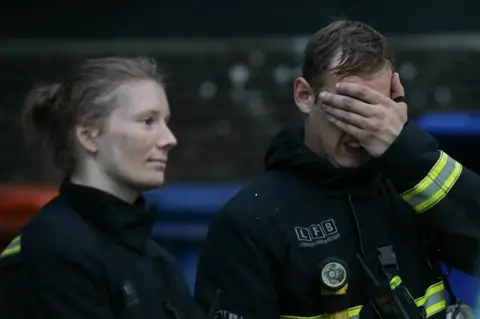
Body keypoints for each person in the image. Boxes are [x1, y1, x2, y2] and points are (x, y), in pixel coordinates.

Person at [194, 20, 480, 319]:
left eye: (375, 110)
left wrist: (407, 149)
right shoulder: (248, 223)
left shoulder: (410, 188)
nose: (361, 129)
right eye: (349, 107)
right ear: (305, 96)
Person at [0, 57, 204, 319]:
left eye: (166, 121)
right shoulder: (52, 250)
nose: (169, 139)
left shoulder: (156, 260)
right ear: (88, 135)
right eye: (147, 121)